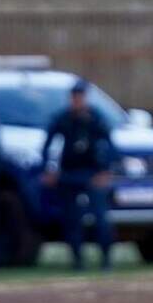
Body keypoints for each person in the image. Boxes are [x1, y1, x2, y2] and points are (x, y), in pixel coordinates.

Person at [41, 80, 118, 271]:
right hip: (69, 174)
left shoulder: (96, 119)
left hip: (92, 174)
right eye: (75, 97)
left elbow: (111, 146)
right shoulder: (63, 119)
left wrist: (106, 171)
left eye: (81, 97)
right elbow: (47, 145)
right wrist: (49, 169)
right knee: (72, 220)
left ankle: (106, 260)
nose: (78, 101)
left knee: (100, 218)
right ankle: (77, 260)